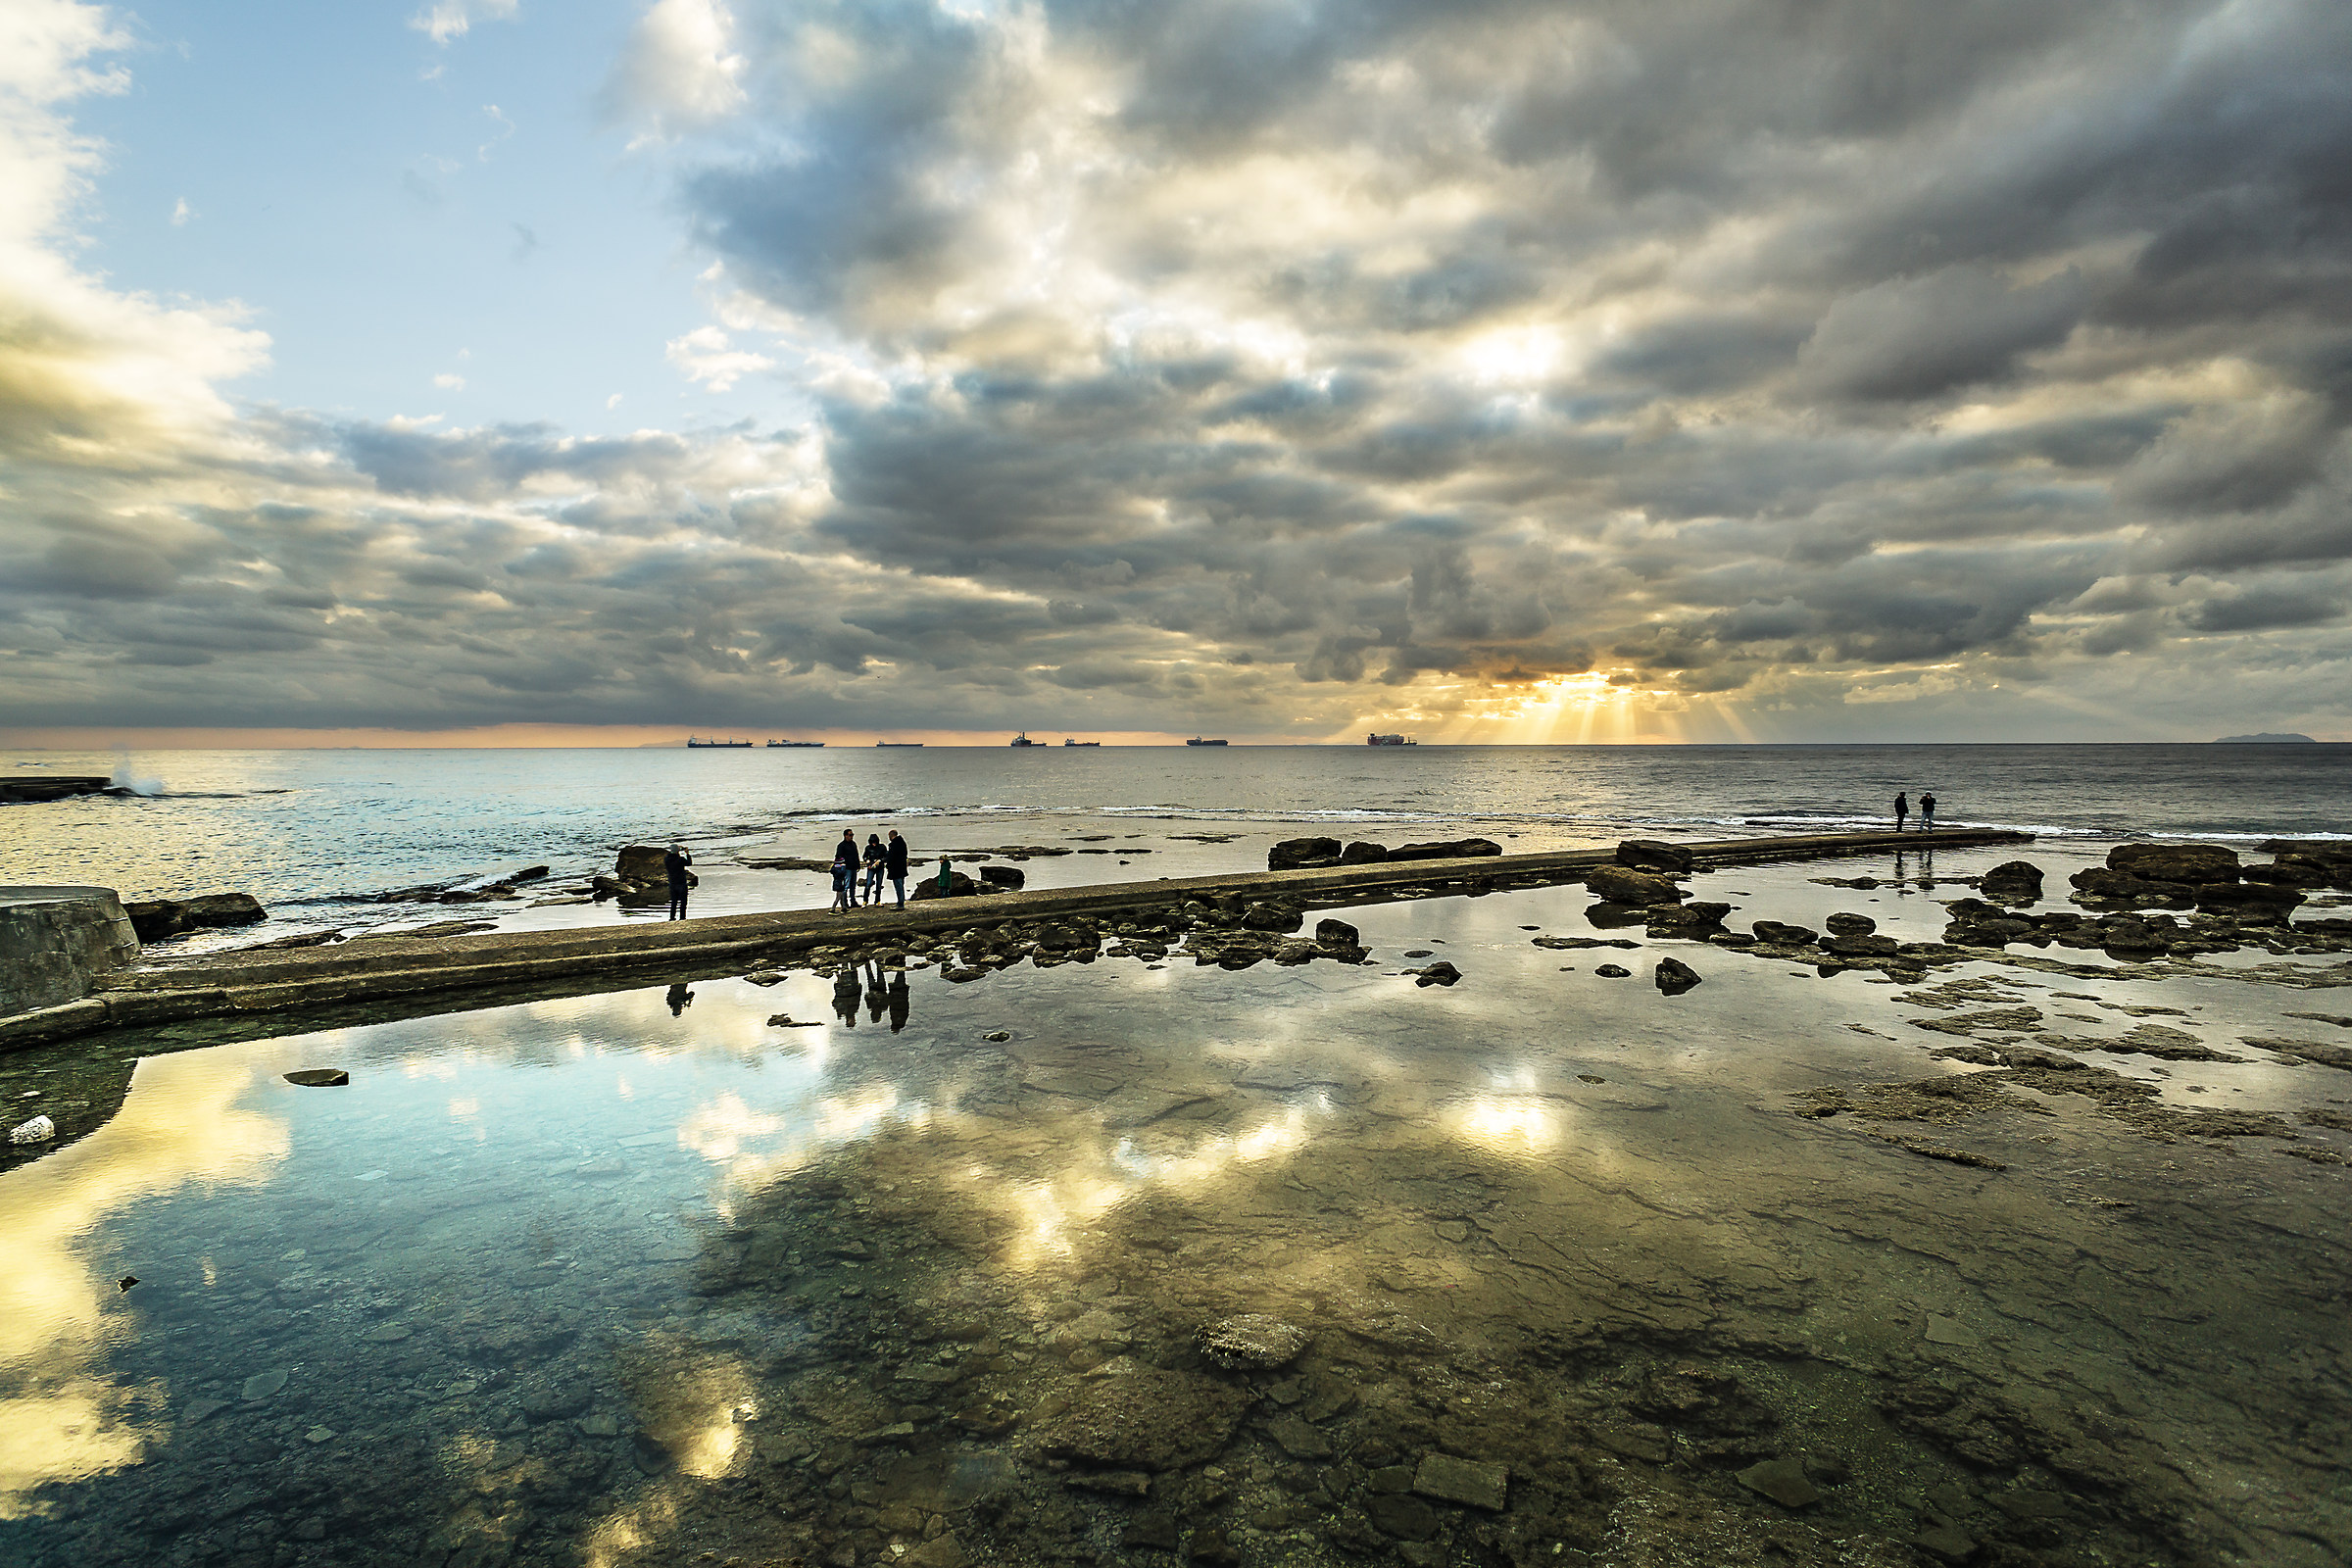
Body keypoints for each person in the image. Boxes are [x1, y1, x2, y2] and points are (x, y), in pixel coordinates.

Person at [830, 829, 858, 912]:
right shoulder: (841, 845)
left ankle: (853, 901)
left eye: (852, 835)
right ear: (845, 835)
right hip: (846, 868)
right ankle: (844, 903)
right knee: (846, 886)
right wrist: (843, 865)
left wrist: (858, 865)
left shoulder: (853, 844)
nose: (851, 836)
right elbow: (838, 857)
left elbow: (856, 854)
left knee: (853, 885)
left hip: (853, 867)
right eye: (850, 835)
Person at [663, 844, 693, 920]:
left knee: (674, 902)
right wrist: (687, 853)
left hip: (672, 883)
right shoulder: (680, 859)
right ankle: (682, 917)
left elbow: (671, 856)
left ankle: (672, 917)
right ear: (678, 851)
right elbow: (689, 863)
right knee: (683, 902)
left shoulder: (666, 859)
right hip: (681, 883)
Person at [886, 828, 910, 908]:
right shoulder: (902, 843)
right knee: (901, 885)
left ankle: (900, 903)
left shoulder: (894, 845)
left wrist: (888, 865)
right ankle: (900, 902)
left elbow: (891, 857)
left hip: (896, 869)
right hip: (902, 868)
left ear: (891, 836)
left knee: (898, 886)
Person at [860, 832, 887, 906]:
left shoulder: (882, 847)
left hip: (880, 868)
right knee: (868, 884)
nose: (874, 844)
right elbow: (865, 856)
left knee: (879, 885)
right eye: (872, 842)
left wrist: (880, 860)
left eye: (875, 842)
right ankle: (865, 900)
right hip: (871, 868)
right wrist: (867, 861)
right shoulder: (868, 848)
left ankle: (877, 901)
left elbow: (886, 856)